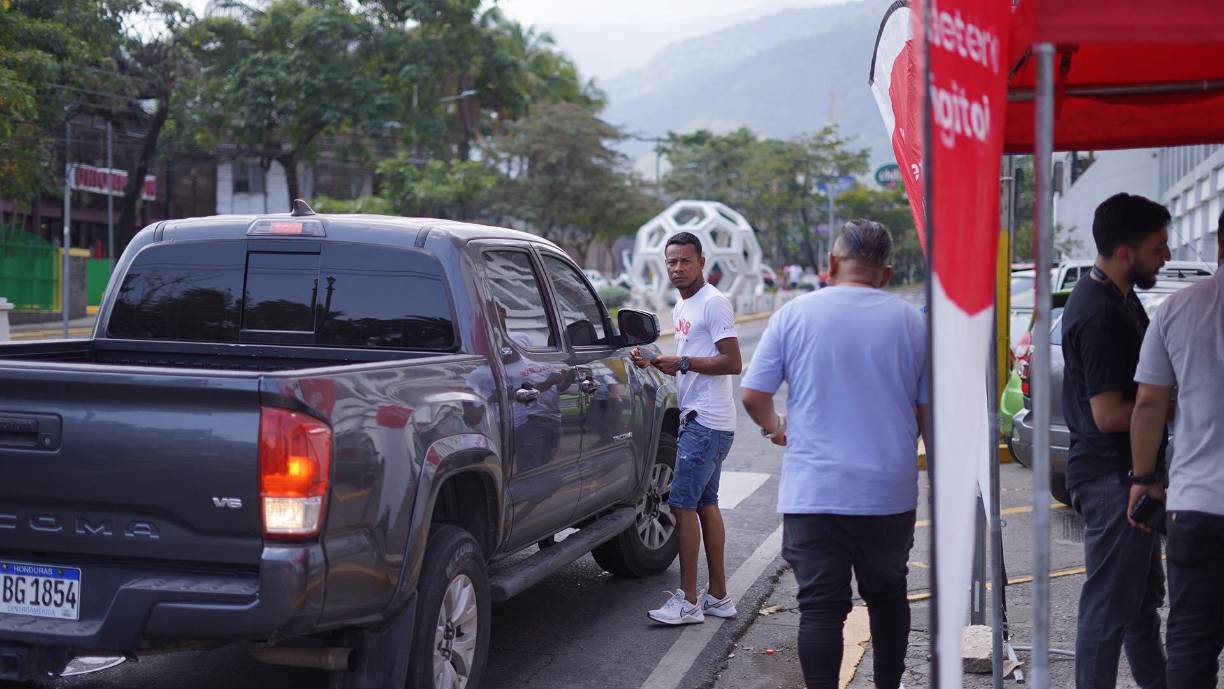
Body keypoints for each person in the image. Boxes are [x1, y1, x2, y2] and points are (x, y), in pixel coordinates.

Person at [740, 219, 927, 689]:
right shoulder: (912, 322)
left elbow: (753, 395)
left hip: (814, 491)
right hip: (887, 493)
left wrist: (776, 428)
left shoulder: (793, 314)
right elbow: (929, 414)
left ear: (830, 264)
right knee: (887, 596)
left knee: (820, 608)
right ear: (886, 273)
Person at [1061, 192, 1171, 689]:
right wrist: (1175, 407)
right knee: (1107, 609)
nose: (1165, 256)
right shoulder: (1100, 312)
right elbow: (1108, 415)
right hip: (1112, 477)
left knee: (1139, 604)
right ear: (1125, 252)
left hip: (1125, 473)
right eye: (1158, 247)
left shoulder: (1121, 298)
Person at [1129, 211, 1224, 689]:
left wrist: (1143, 478)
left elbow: (1148, 402)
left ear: (1220, 245)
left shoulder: (1177, 310)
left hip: (1196, 504)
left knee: (1191, 640)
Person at [632, 231, 742, 625]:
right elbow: (693, 357)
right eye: (671, 262)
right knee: (705, 504)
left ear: (701, 263)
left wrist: (682, 363)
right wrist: (656, 360)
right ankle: (718, 597)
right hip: (703, 419)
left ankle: (688, 600)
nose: (677, 268)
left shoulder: (713, 303)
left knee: (681, 504)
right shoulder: (684, 306)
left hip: (706, 422)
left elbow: (732, 362)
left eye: (685, 261)